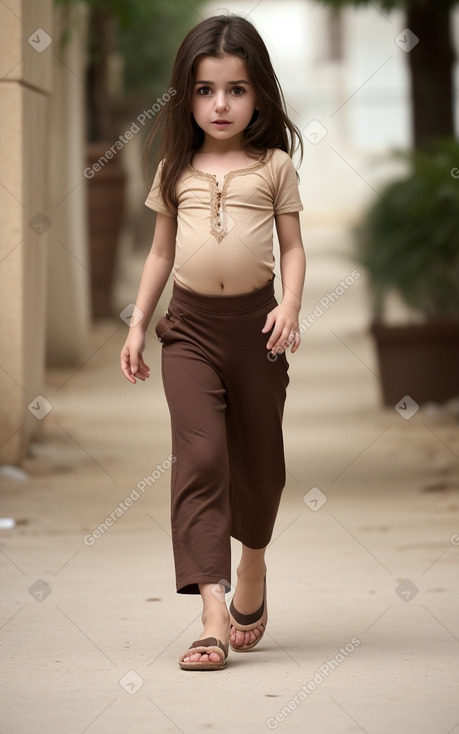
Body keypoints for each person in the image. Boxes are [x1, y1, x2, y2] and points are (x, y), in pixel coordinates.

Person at [120, 13, 306, 671]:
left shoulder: (274, 166)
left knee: (260, 468)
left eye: (234, 89)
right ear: (186, 96)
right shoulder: (175, 167)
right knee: (199, 460)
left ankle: (251, 559)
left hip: (257, 333)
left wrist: (288, 303)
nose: (220, 104)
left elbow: (292, 247)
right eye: (204, 90)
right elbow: (160, 253)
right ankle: (210, 611)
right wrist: (140, 322)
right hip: (190, 333)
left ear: (258, 94)